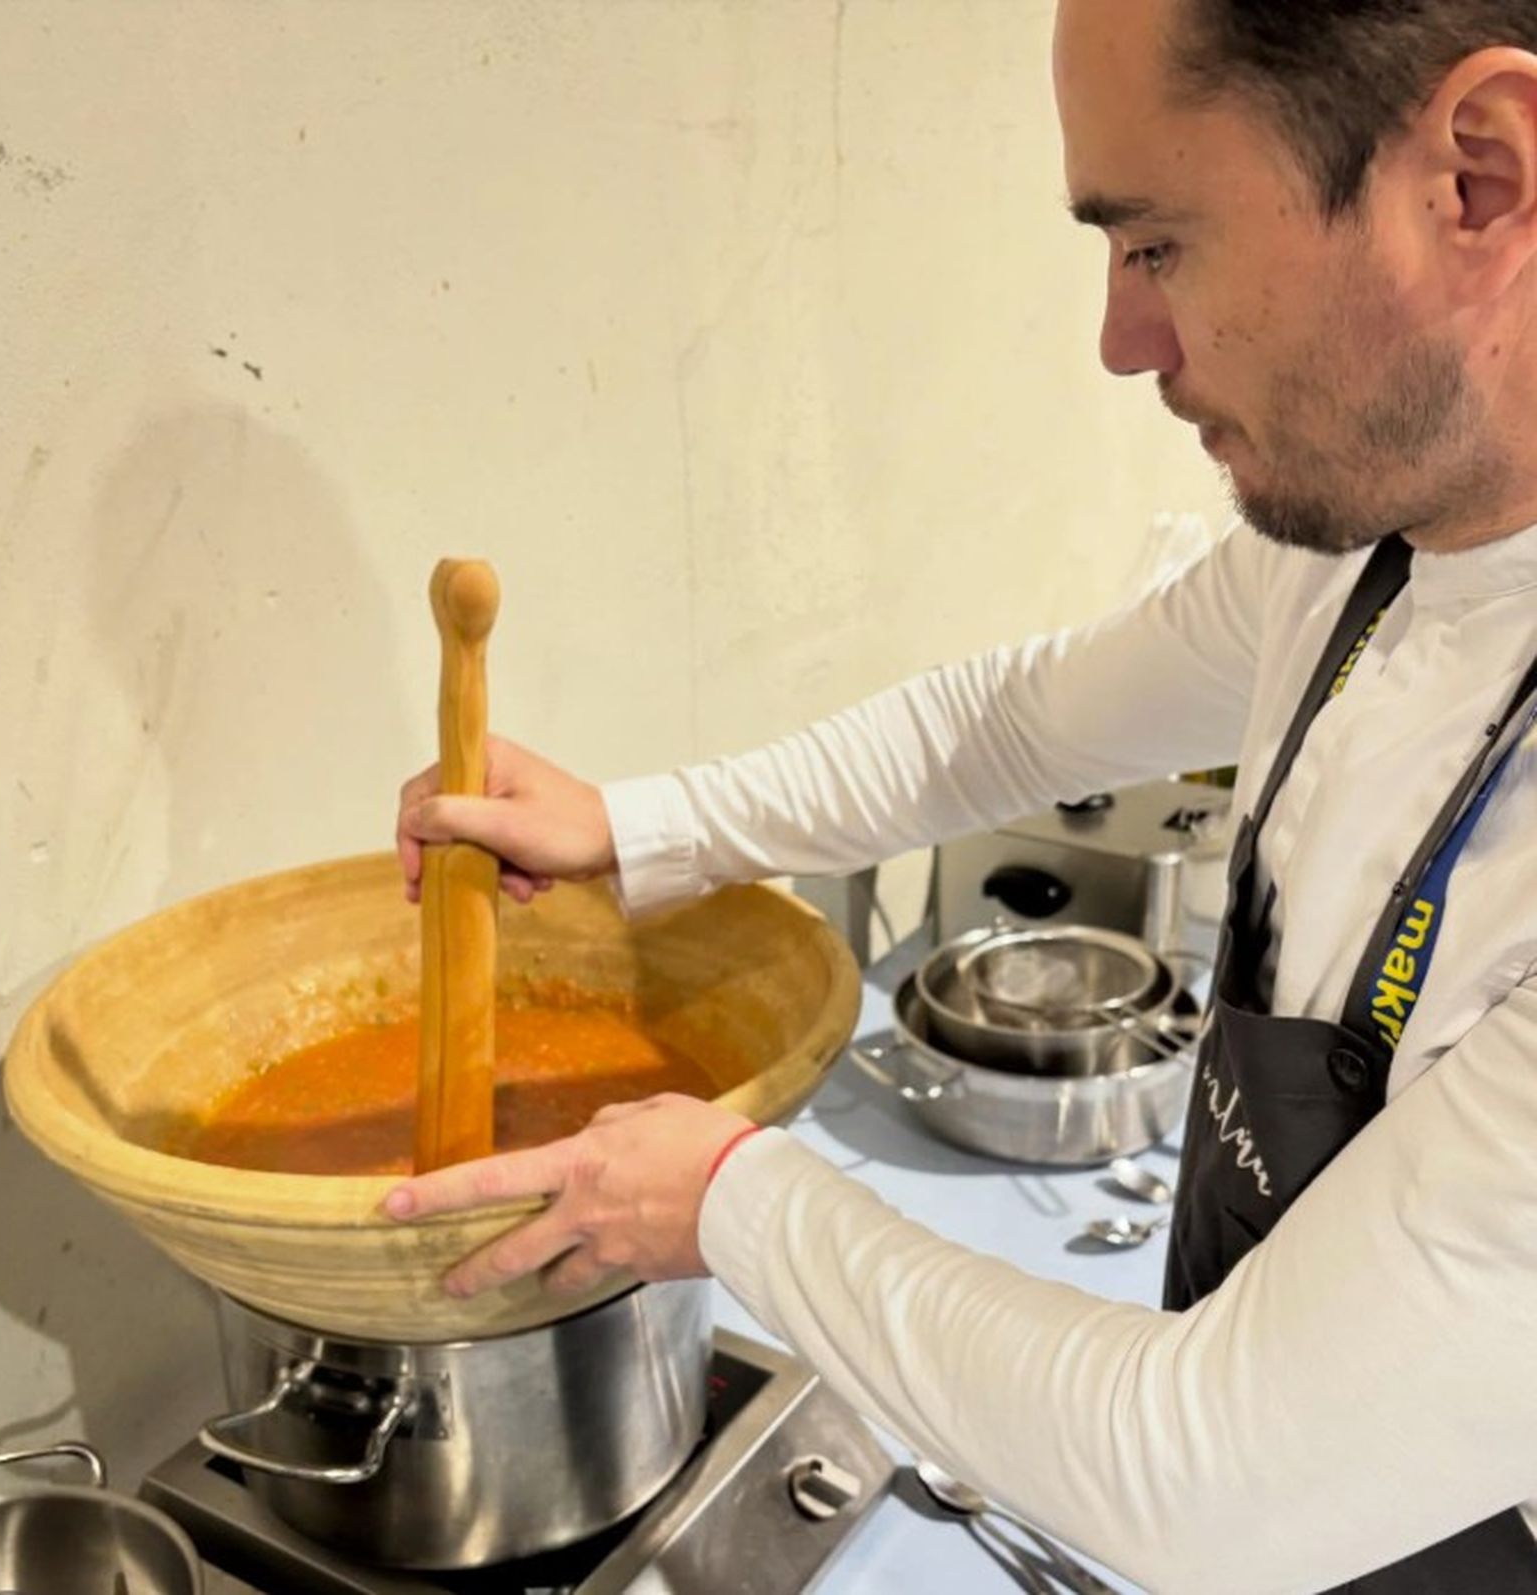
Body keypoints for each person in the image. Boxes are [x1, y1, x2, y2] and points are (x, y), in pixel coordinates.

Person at [383, 3, 1537, 1589]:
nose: (1124, 345)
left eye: (1159, 245)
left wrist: (734, 1203)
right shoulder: (1355, 553)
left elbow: (1216, 1473)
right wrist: (640, 828)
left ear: (1479, 174)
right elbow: (1005, 728)